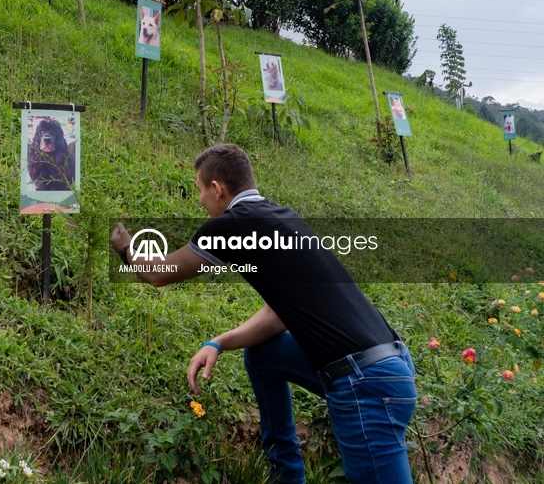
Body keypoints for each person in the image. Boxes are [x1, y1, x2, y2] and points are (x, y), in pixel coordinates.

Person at [110, 144, 416, 484]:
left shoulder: (231, 225)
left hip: (364, 382)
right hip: (390, 365)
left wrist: (127, 249)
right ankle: (286, 477)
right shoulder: (283, 217)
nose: (200, 201)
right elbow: (278, 316)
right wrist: (218, 342)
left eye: (199, 191)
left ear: (217, 188)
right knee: (264, 356)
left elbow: (158, 273)